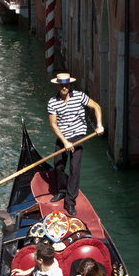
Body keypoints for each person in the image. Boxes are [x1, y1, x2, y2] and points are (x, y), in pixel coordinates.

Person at [47, 71, 104, 218]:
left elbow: (96, 106)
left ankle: (70, 200)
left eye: (66, 84)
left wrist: (99, 125)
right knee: (58, 165)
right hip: (62, 137)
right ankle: (61, 191)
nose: (64, 87)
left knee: (74, 167)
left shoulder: (79, 96)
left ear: (69, 84)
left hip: (78, 136)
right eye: (62, 85)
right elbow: (53, 125)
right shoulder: (52, 102)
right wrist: (65, 142)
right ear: (58, 86)